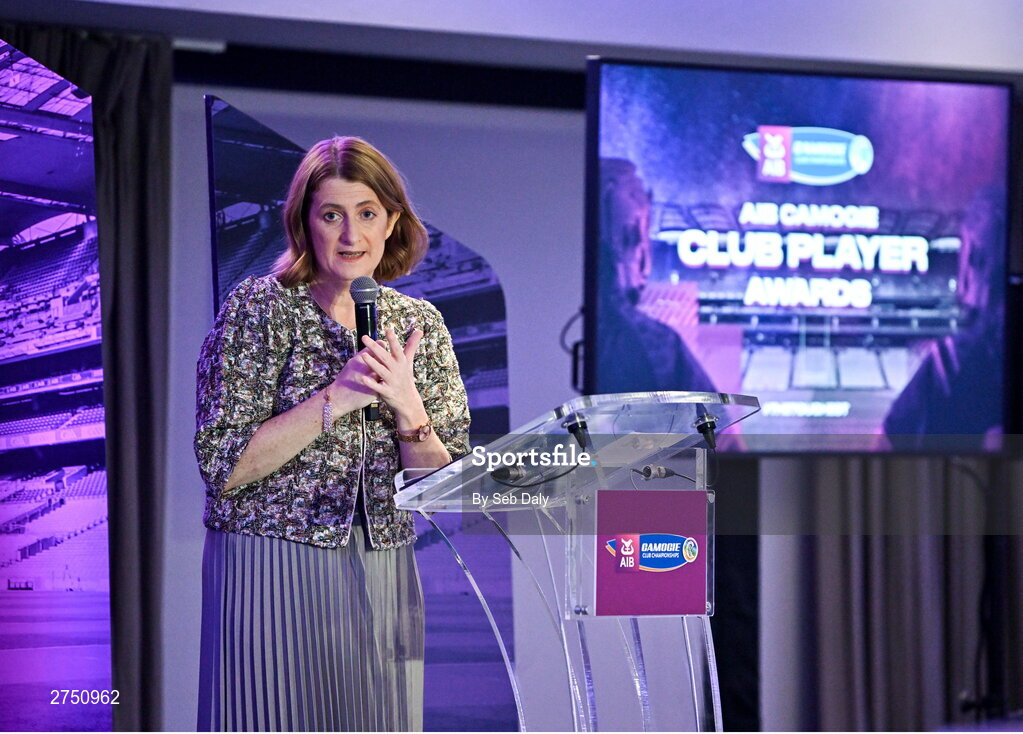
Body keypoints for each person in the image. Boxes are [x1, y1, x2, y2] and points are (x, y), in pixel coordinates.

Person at [194, 136, 470, 732]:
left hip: (385, 564)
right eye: (331, 215)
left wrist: (408, 407)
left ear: (392, 221)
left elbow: (445, 489)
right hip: (270, 562)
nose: (351, 235)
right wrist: (338, 397)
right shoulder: (261, 308)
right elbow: (224, 466)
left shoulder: (421, 323)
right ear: (304, 223)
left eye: (367, 213)